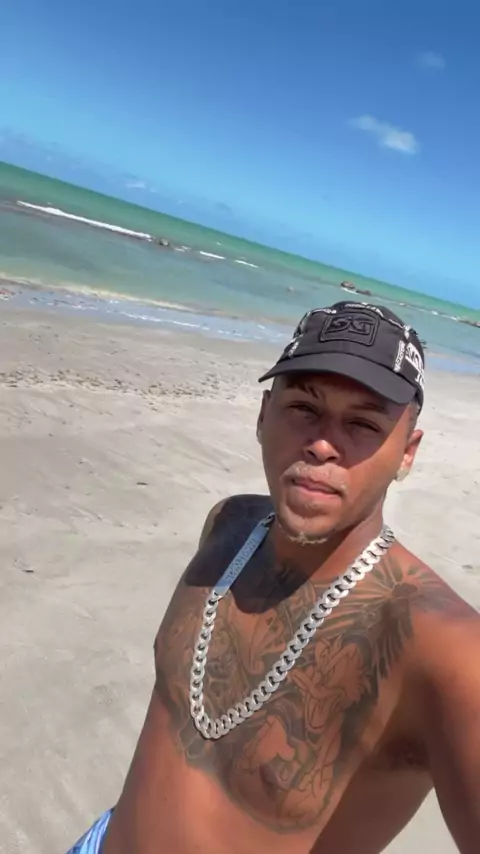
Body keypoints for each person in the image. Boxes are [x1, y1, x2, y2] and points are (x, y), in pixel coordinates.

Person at [67, 301, 480, 854]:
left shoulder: (444, 649)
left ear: (407, 453)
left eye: (363, 423)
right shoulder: (227, 526)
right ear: (264, 416)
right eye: (304, 408)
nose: (323, 443)